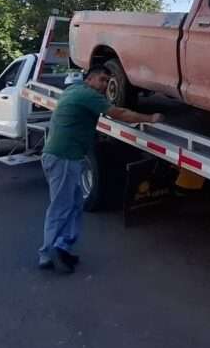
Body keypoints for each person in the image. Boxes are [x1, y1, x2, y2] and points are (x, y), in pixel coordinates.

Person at [38, 65, 162, 273]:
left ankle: (63, 246)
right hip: (64, 157)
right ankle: (48, 253)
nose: (105, 85)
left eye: (107, 81)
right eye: (102, 80)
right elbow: (118, 113)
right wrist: (150, 118)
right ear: (90, 79)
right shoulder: (89, 95)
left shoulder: (74, 90)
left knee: (74, 204)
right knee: (61, 206)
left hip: (64, 156)